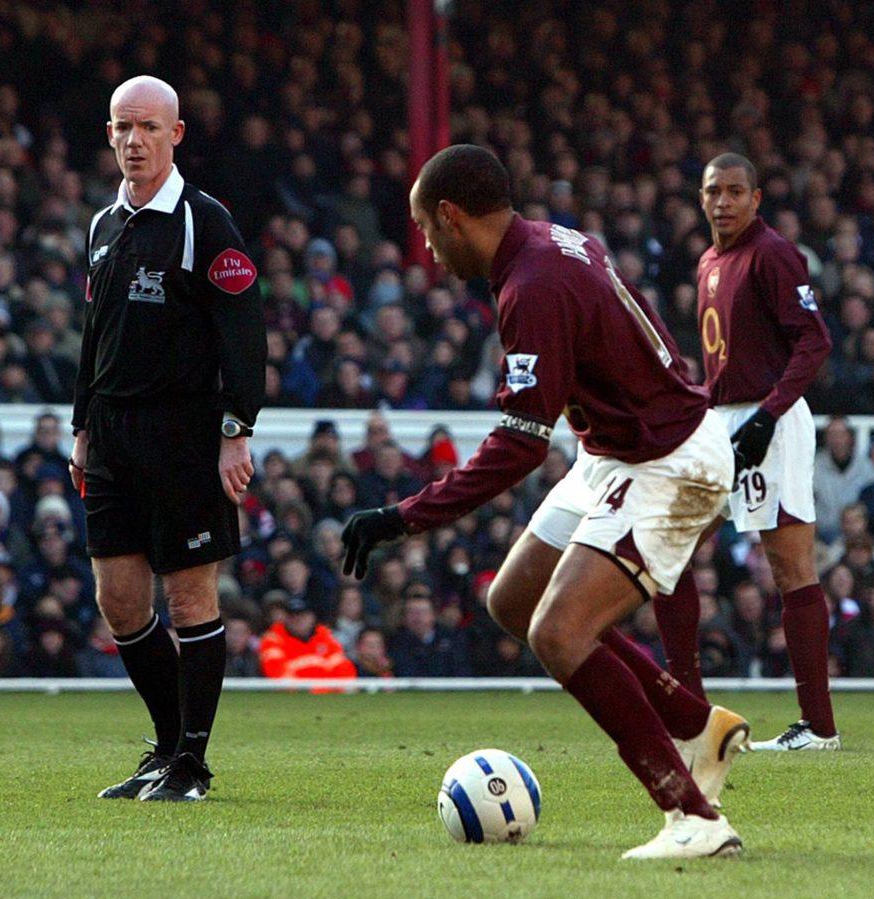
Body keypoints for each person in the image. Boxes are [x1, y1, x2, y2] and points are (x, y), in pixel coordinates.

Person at [342, 145, 746, 859]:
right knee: (514, 602)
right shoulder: (555, 239)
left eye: (427, 234)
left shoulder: (531, 287)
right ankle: (695, 724)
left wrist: (404, 517)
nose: (429, 253)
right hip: (619, 449)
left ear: (450, 216)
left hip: (668, 463)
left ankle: (693, 817)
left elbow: (521, 447)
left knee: (558, 633)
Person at [68, 76, 266, 802]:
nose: (133, 141)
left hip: (184, 436)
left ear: (176, 134)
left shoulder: (203, 223)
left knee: (190, 599)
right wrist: (82, 427)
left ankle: (193, 764)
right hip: (112, 437)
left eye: (148, 127)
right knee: (118, 599)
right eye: (122, 127)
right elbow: (94, 338)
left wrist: (235, 430)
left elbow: (244, 334)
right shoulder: (101, 226)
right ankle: (165, 747)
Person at [652, 153, 840, 752]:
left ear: (756, 198)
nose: (724, 202)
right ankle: (690, 717)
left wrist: (770, 414)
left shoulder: (774, 253)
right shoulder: (710, 259)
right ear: (701, 198)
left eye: (736, 191)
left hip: (772, 421)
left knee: (790, 569)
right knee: (670, 551)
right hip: (723, 420)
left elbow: (815, 341)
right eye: (715, 192)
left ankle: (819, 728)